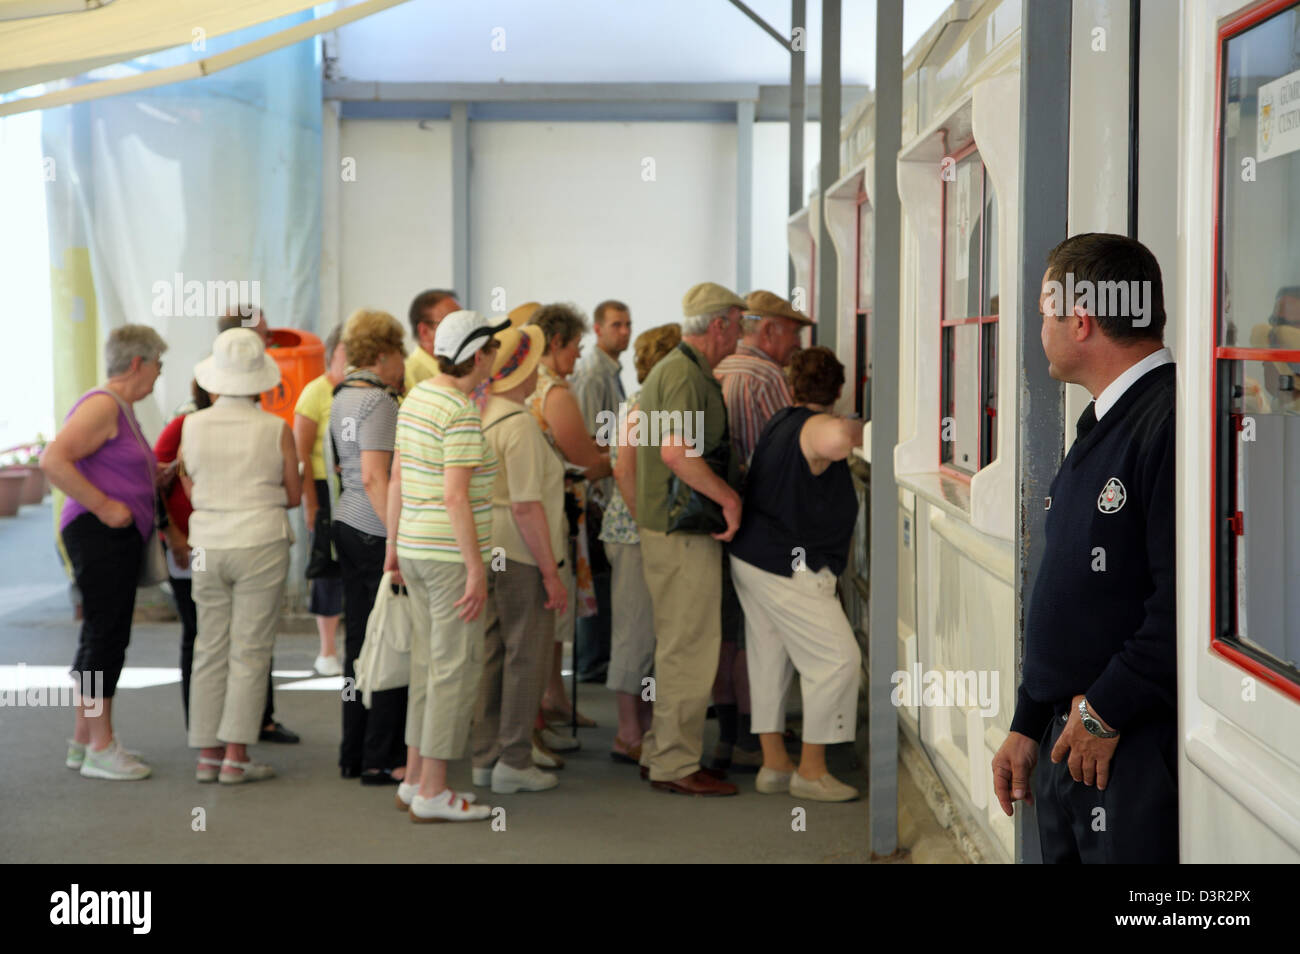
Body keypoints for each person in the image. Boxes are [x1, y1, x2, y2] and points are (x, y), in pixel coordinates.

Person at [991, 233, 1177, 863]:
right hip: (1070, 738)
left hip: (1126, 751)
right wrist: (1027, 720)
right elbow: (1071, 591)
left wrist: (1103, 711)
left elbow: (1179, 609)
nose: (1039, 328)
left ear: (1080, 318)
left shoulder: (1169, 422)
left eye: (1044, 313)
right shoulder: (1102, 421)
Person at [387, 309, 507, 822]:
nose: (499, 356)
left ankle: (415, 779)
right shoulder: (458, 410)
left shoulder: (417, 398)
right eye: (494, 348)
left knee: (426, 668)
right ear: (478, 356)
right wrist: (476, 568)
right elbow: (456, 497)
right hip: (448, 557)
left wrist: (392, 549)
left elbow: (396, 478)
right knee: (454, 672)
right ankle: (435, 791)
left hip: (414, 550)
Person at [727, 346, 863, 801]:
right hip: (788, 565)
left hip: (753, 557)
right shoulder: (817, 427)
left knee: (769, 657)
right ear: (839, 389)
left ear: (790, 384)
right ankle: (811, 770)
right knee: (839, 660)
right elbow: (836, 441)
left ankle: (774, 765)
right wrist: (856, 427)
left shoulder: (779, 420)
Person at [43, 324, 168, 781]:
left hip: (110, 533)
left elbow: (113, 466)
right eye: (158, 364)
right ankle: (101, 745)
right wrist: (105, 504)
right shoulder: (103, 404)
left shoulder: (121, 408)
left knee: (101, 634)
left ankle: (83, 740)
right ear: (138, 363)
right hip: (99, 532)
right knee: (106, 639)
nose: (158, 375)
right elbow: (53, 459)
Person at [634, 281, 745, 796]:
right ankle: (675, 764)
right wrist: (728, 497)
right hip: (683, 532)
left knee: (679, 643)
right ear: (718, 324)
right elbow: (677, 454)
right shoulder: (682, 373)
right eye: (739, 322)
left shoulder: (679, 369)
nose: (742, 333)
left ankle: (663, 751)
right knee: (690, 646)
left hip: (672, 529)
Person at [181, 329, 301, 783]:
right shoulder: (275, 429)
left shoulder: (192, 425)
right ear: (261, 380)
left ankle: (206, 754)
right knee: (250, 650)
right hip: (260, 540)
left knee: (208, 645)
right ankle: (236, 757)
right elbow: (292, 494)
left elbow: (190, 485)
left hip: (206, 542)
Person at [711, 289, 813, 771]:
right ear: (769, 329)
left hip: (720, 518)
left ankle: (732, 734)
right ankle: (757, 738)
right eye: (792, 332)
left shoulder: (723, 369)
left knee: (729, 632)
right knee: (763, 637)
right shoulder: (767, 376)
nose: (796, 345)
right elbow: (785, 452)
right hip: (761, 520)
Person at [472, 323, 569, 794]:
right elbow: (527, 505)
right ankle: (513, 758)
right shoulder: (519, 425)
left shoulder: (480, 414)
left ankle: (486, 754)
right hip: (521, 552)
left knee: (493, 652)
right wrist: (552, 575)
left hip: (487, 546)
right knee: (525, 654)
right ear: (526, 372)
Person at [525, 303, 612, 749]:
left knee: (550, 617)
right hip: (554, 511)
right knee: (548, 614)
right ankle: (538, 713)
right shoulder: (554, 392)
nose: (578, 357)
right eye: (575, 347)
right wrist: (624, 458)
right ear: (555, 343)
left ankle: (552, 697)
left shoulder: (529, 386)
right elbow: (583, 462)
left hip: (543, 509)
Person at [330, 310, 411, 784]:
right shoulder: (379, 401)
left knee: (359, 642)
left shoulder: (342, 396)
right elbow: (376, 476)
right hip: (373, 528)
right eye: (400, 351)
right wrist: (398, 541)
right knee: (389, 641)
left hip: (346, 522)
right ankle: (384, 755)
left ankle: (355, 750)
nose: (404, 362)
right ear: (383, 354)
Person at [600, 323, 680, 765]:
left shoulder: (652, 405)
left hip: (639, 532)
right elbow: (624, 472)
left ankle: (642, 724)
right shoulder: (641, 407)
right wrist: (647, 522)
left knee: (648, 633)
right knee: (633, 633)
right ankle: (628, 732)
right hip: (634, 535)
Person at [569, 300, 632, 685]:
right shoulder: (594, 375)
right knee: (598, 578)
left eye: (627, 324)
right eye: (616, 325)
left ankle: (595, 659)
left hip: (606, 486)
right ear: (598, 329)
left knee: (603, 578)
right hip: (598, 490)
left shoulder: (611, 372)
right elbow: (592, 437)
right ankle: (591, 662)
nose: (624, 331)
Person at [154, 378, 210, 725]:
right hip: (189, 544)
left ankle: (259, 717)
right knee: (197, 626)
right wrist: (171, 532)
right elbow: (154, 481)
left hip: (221, 541)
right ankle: (198, 721)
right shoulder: (184, 424)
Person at [293, 324, 347, 676]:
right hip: (325, 490)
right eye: (347, 354)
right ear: (331, 355)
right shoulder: (315, 393)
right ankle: (327, 649)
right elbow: (299, 458)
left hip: (359, 487)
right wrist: (311, 506)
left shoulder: (370, 390)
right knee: (327, 569)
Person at [404, 289, 462, 392]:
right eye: (452, 324)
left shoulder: (466, 368)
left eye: (463, 322)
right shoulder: (408, 376)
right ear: (424, 331)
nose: (463, 330)